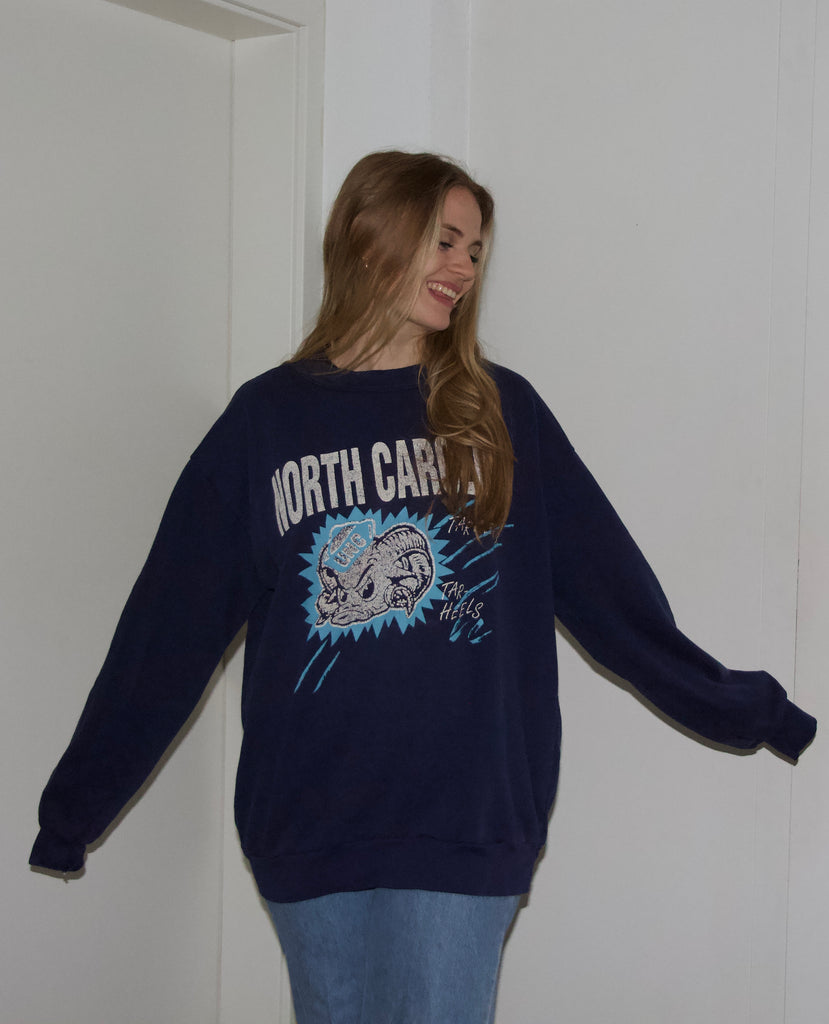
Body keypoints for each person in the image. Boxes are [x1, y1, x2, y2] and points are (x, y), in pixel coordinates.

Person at [30, 151, 816, 1023]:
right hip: (308, 817)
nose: (463, 269)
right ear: (371, 239)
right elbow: (166, 631)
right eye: (444, 241)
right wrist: (76, 808)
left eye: (474, 250)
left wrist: (745, 709)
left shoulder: (501, 412)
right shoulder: (265, 422)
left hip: (464, 817)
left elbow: (616, 601)